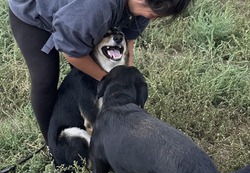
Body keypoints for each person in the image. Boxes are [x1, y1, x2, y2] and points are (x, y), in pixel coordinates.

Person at [8, 0, 191, 143]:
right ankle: (53, 145)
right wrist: (109, 81)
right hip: (34, 13)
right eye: (154, 13)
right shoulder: (97, 8)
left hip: (77, 18)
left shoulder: (148, 7)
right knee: (45, 78)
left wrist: (124, 76)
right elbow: (72, 53)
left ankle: (105, 130)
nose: (154, 19)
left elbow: (129, 41)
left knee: (90, 80)